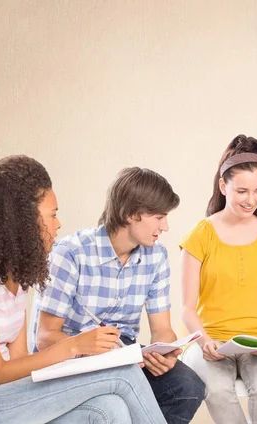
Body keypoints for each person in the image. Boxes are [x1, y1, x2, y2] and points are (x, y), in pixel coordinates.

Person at [0, 156, 166, 424]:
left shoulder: (17, 280)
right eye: (52, 215)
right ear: (23, 221)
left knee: (108, 407)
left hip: (5, 397)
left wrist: (85, 360)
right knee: (124, 374)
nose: (58, 223)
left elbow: (20, 363)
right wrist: (73, 346)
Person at [33, 166, 205, 424]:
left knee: (188, 388)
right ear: (130, 214)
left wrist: (165, 354)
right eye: (159, 217)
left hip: (125, 354)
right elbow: (45, 337)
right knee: (119, 395)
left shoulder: (155, 256)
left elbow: (162, 330)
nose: (166, 226)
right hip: (74, 357)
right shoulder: (71, 253)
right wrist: (107, 354)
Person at [179, 134, 257, 424]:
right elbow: (187, 308)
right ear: (222, 186)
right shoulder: (199, 235)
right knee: (215, 389)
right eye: (242, 191)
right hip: (210, 341)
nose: (251, 200)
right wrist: (204, 341)